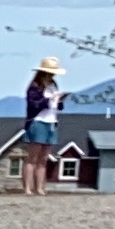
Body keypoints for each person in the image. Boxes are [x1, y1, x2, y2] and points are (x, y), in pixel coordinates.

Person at [21, 58, 66, 195]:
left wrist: (59, 101)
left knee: (44, 157)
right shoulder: (35, 86)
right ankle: (28, 187)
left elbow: (56, 106)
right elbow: (34, 104)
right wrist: (49, 100)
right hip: (38, 121)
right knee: (33, 157)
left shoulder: (53, 85)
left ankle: (39, 187)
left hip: (51, 121)